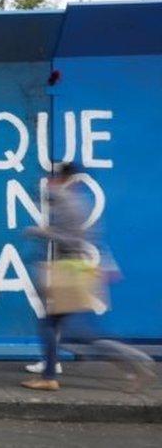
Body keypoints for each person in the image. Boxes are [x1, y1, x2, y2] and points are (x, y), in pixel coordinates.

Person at [21, 163, 156, 392]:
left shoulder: (65, 201)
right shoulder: (79, 200)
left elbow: (70, 239)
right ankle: (51, 374)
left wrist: (38, 232)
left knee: (70, 331)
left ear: (60, 179)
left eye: (51, 179)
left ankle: (134, 361)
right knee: (68, 330)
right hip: (76, 268)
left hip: (68, 270)